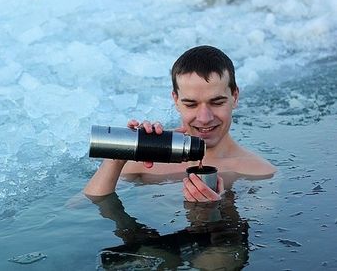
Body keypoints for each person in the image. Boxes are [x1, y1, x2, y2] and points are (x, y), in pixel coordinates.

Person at [84, 45, 276, 202]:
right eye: (191, 104)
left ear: (234, 97)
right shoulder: (145, 163)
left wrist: (211, 213)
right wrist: (117, 158)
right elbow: (82, 210)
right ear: (176, 100)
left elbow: (255, 239)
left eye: (217, 102)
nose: (204, 117)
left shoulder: (259, 172)